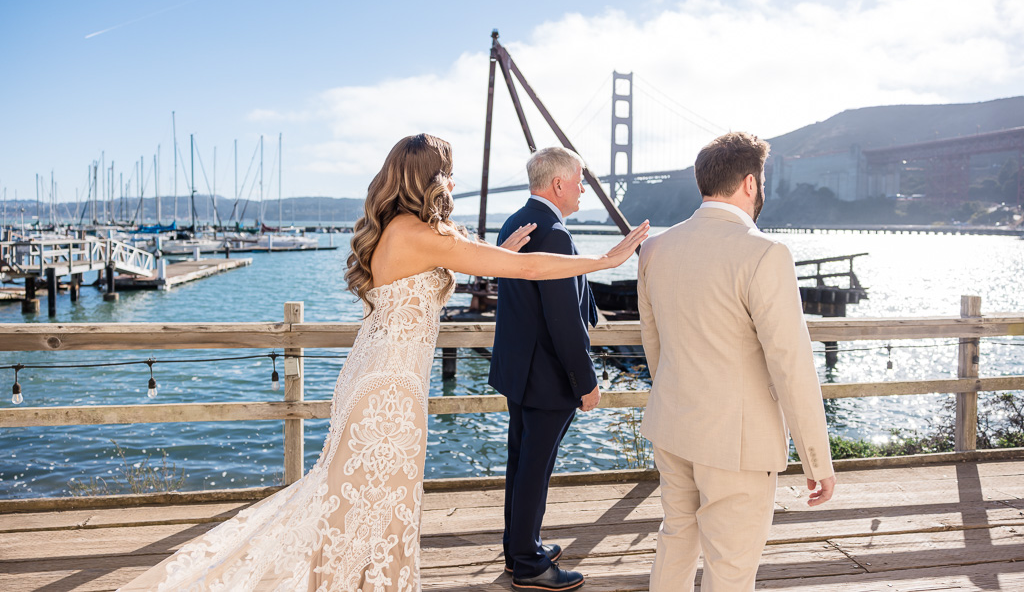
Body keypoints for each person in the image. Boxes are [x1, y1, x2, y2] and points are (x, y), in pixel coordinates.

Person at [119, 133, 648, 592]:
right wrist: (604, 260)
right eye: (452, 175)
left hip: (375, 374)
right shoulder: (427, 235)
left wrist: (498, 249)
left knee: (352, 498)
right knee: (375, 499)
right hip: (391, 388)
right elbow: (529, 268)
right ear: (432, 180)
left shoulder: (399, 229)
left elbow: (473, 263)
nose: (457, 183)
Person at [637, 131, 835, 592]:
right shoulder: (765, 254)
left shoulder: (655, 249)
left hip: (672, 423)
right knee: (731, 568)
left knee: (676, 540)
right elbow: (792, 365)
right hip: (737, 442)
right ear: (750, 183)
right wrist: (816, 460)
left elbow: (655, 345)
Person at [489, 147, 607, 592]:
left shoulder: (515, 222)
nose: (583, 189)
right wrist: (587, 382)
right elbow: (563, 321)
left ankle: (520, 545)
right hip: (547, 376)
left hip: (519, 370)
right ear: (558, 183)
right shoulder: (555, 234)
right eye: (580, 181)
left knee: (522, 463)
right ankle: (529, 565)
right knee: (536, 467)